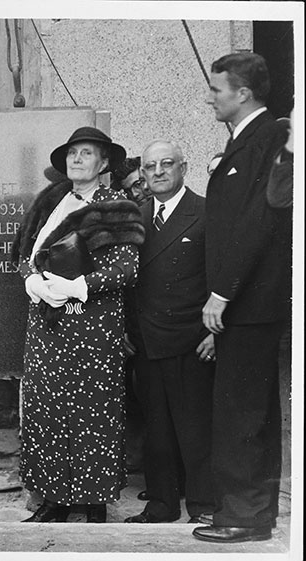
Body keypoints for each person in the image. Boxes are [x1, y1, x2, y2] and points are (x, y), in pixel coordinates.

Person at [12, 126, 144, 524]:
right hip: (47, 327)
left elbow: (127, 270)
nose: (77, 159)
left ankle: (93, 503)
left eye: (86, 153)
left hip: (92, 327)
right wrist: (31, 281)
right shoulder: (49, 203)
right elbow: (24, 256)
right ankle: (54, 501)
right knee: (47, 410)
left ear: (104, 163)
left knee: (92, 413)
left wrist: (79, 285)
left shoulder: (117, 207)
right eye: (72, 153)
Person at [193, 52, 291, 544]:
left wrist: (221, 294)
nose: (209, 97)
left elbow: (256, 224)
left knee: (243, 410)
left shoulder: (270, 137)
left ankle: (245, 517)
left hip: (248, 302)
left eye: (216, 89)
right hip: (244, 302)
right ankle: (245, 510)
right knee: (243, 408)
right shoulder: (245, 140)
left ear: (243, 93)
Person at [124, 140, 215, 525]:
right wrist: (126, 329)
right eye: (150, 166)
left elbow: (224, 278)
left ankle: (204, 505)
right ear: (142, 173)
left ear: (183, 168)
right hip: (146, 340)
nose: (158, 172)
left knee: (195, 426)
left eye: (167, 164)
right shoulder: (135, 218)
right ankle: (161, 504)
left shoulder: (207, 213)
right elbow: (127, 282)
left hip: (192, 339)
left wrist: (217, 333)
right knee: (156, 428)